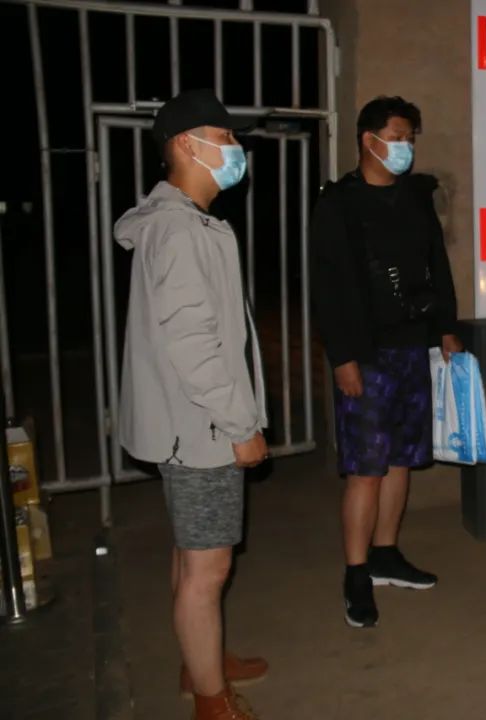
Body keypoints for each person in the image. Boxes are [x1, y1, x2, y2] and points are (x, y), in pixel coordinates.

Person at [114, 88, 269, 720]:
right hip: (201, 426)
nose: (236, 148)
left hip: (186, 422)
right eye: (225, 137)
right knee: (208, 569)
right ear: (186, 144)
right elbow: (194, 345)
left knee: (192, 554)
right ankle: (211, 701)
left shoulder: (183, 221)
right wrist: (241, 423)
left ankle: (200, 660)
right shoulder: (179, 229)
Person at [310, 96, 462, 630]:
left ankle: (385, 554)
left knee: (401, 460)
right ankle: (356, 573)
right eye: (397, 137)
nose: (405, 147)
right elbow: (327, 287)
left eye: (410, 138)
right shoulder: (338, 204)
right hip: (366, 353)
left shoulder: (414, 198)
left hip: (411, 347)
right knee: (366, 468)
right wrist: (343, 357)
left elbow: (436, 265)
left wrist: (446, 328)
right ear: (368, 139)